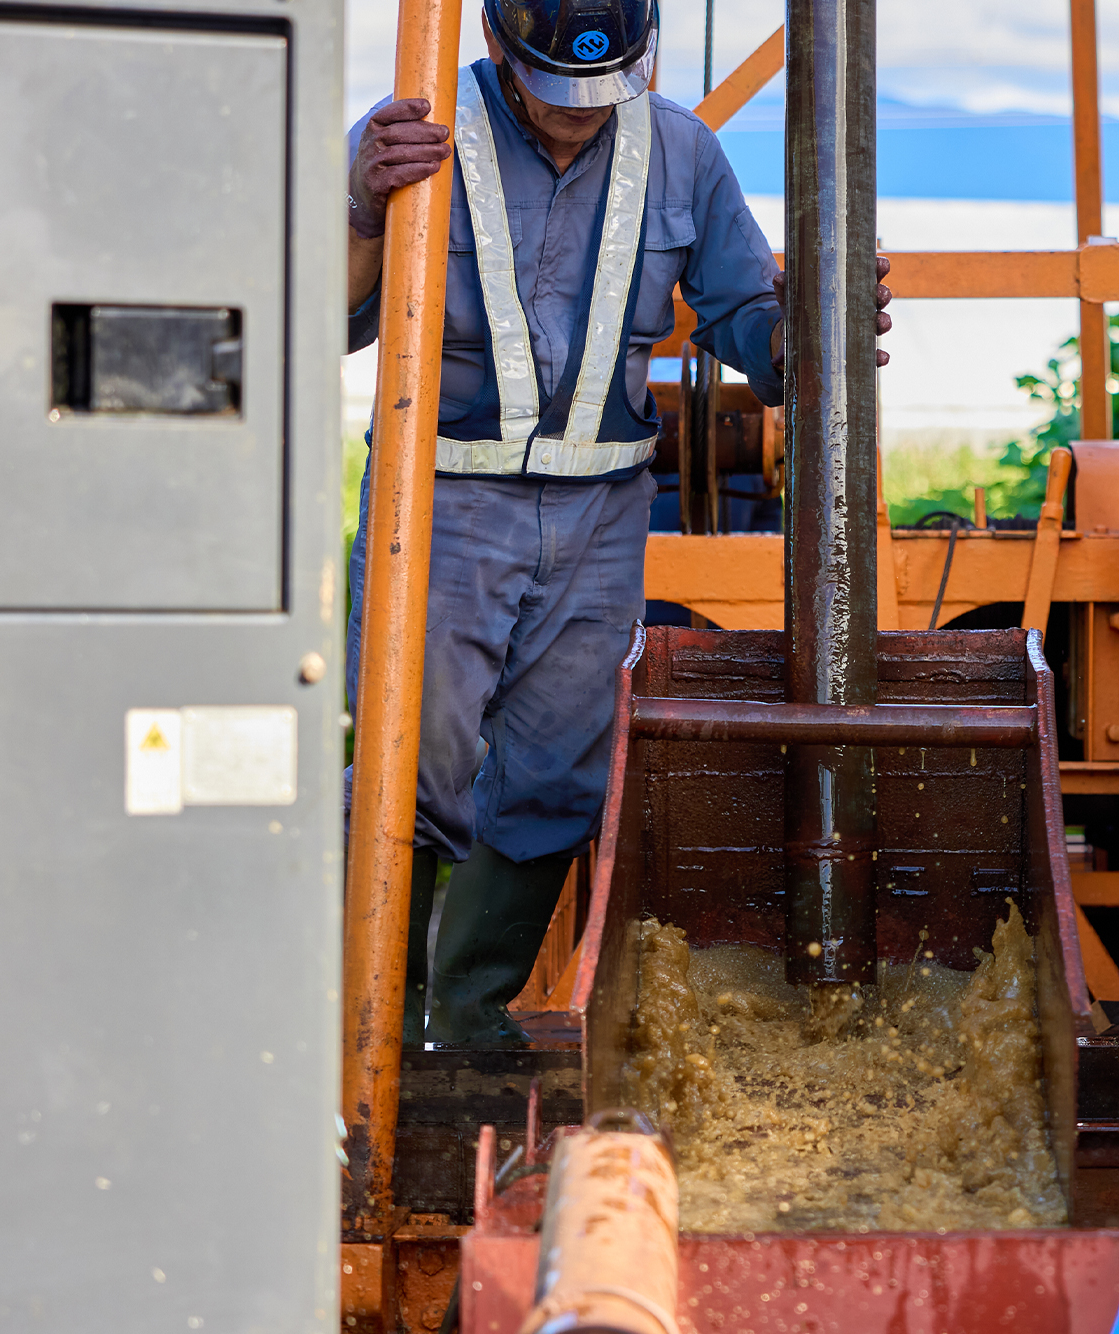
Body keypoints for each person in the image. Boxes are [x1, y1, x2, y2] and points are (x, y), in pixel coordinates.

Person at [344, 0, 893, 1046]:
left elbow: (747, 324)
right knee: (411, 761)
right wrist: (363, 213)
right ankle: (368, 1029)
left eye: (604, 91)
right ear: (498, 47)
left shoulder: (680, 150)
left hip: (600, 511)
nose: (579, 116)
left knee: (556, 769)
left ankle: (464, 1020)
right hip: (444, 501)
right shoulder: (404, 140)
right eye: (555, 91)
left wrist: (819, 328)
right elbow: (328, 317)